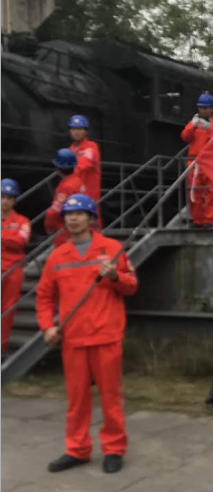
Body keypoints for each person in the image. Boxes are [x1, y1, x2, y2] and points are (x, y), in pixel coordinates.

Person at [36, 194, 138, 474]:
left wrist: (115, 276)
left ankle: (114, 448)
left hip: (106, 335)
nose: (73, 218)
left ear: (91, 218)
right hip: (74, 338)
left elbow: (132, 286)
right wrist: (47, 327)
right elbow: (44, 297)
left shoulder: (112, 249)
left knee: (110, 397)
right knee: (77, 399)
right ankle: (77, 449)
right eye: (69, 214)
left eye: (80, 213)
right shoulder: (57, 257)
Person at [180, 92, 213, 228]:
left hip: (210, 163)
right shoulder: (193, 124)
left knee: (210, 192)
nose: (203, 110)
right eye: (201, 108)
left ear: (212, 109)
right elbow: (185, 137)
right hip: (194, 162)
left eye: (205, 108)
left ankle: (209, 220)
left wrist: (209, 129)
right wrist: (192, 126)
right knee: (194, 192)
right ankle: (197, 220)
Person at [1, 178, 30, 353]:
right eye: (2, 196)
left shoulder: (22, 221)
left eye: (9, 197)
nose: (5, 201)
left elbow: (21, 241)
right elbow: (14, 239)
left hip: (13, 270)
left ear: (14, 200)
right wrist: (8, 237)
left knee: (8, 308)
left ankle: (1, 345)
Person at [45, 149, 87, 247]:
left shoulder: (66, 187)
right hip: (80, 228)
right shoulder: (78, 182)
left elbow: (54, 212)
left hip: (66, 232)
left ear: (57, 168)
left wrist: (49, 226)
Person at [68, 115, 102, 203]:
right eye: (73, 129)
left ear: (85, 131)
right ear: (70, 131)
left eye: (79, 129)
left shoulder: (91, 146)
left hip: (89, 196)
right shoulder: (70, 150)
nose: (76, 132)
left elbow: (84, 162)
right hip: (73, 194)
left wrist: (67, 169)